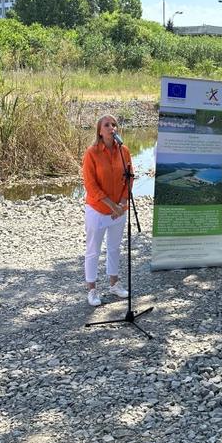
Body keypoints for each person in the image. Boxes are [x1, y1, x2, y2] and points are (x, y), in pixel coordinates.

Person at [82, 115, 132, 306]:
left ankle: (114, 283)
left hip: (119, 209)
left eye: (114, 125)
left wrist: (122, 202)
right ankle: (92, 290)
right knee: (93, 250)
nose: (112, 127)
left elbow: (130, 177)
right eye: (107, 125)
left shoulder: (124, 151)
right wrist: (112, 206)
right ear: (100, 131)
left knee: (114, 247)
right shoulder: (92, 153)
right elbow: (90, 184)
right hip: (98, 210)